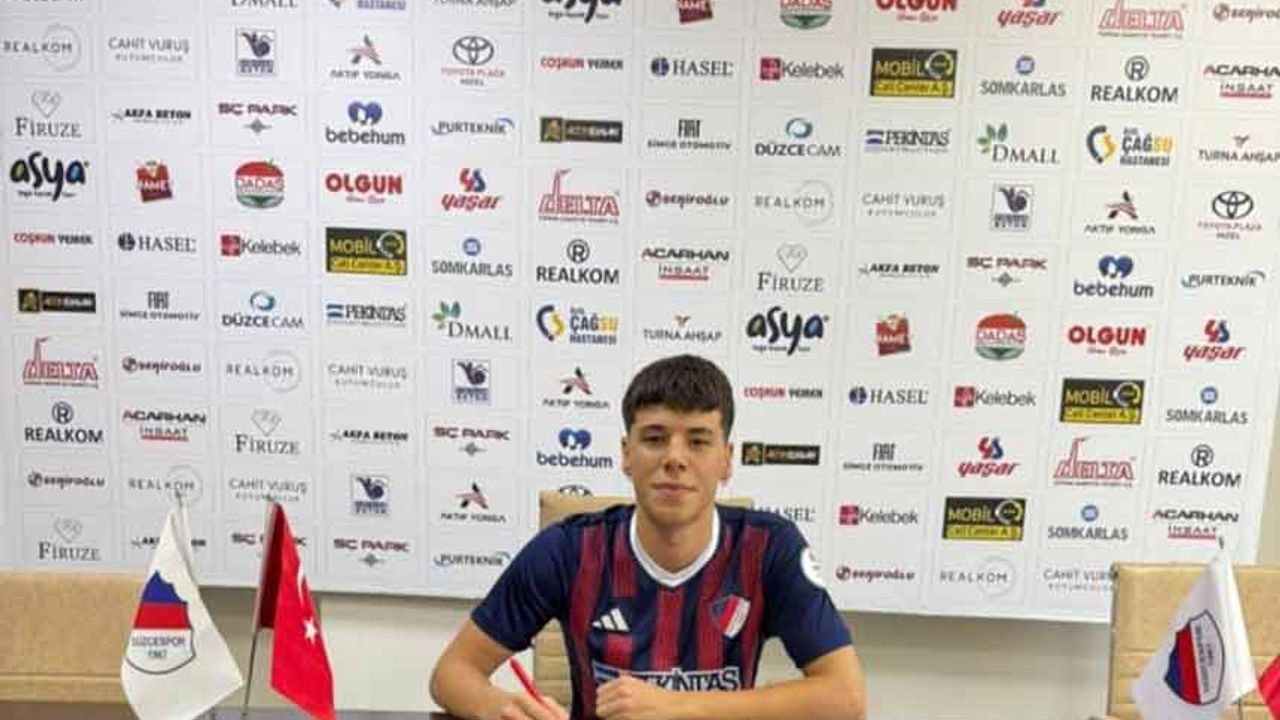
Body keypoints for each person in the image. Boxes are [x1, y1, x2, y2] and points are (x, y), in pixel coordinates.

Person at [430, 354, 867, 720]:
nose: (675, 459)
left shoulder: (769, 548)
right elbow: (451, 674)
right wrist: (503, 709)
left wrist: (678, 706)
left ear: (726, 459)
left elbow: (844, 697)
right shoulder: (568, 551)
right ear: (626, 454)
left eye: (698, 441)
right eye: (655, 439)